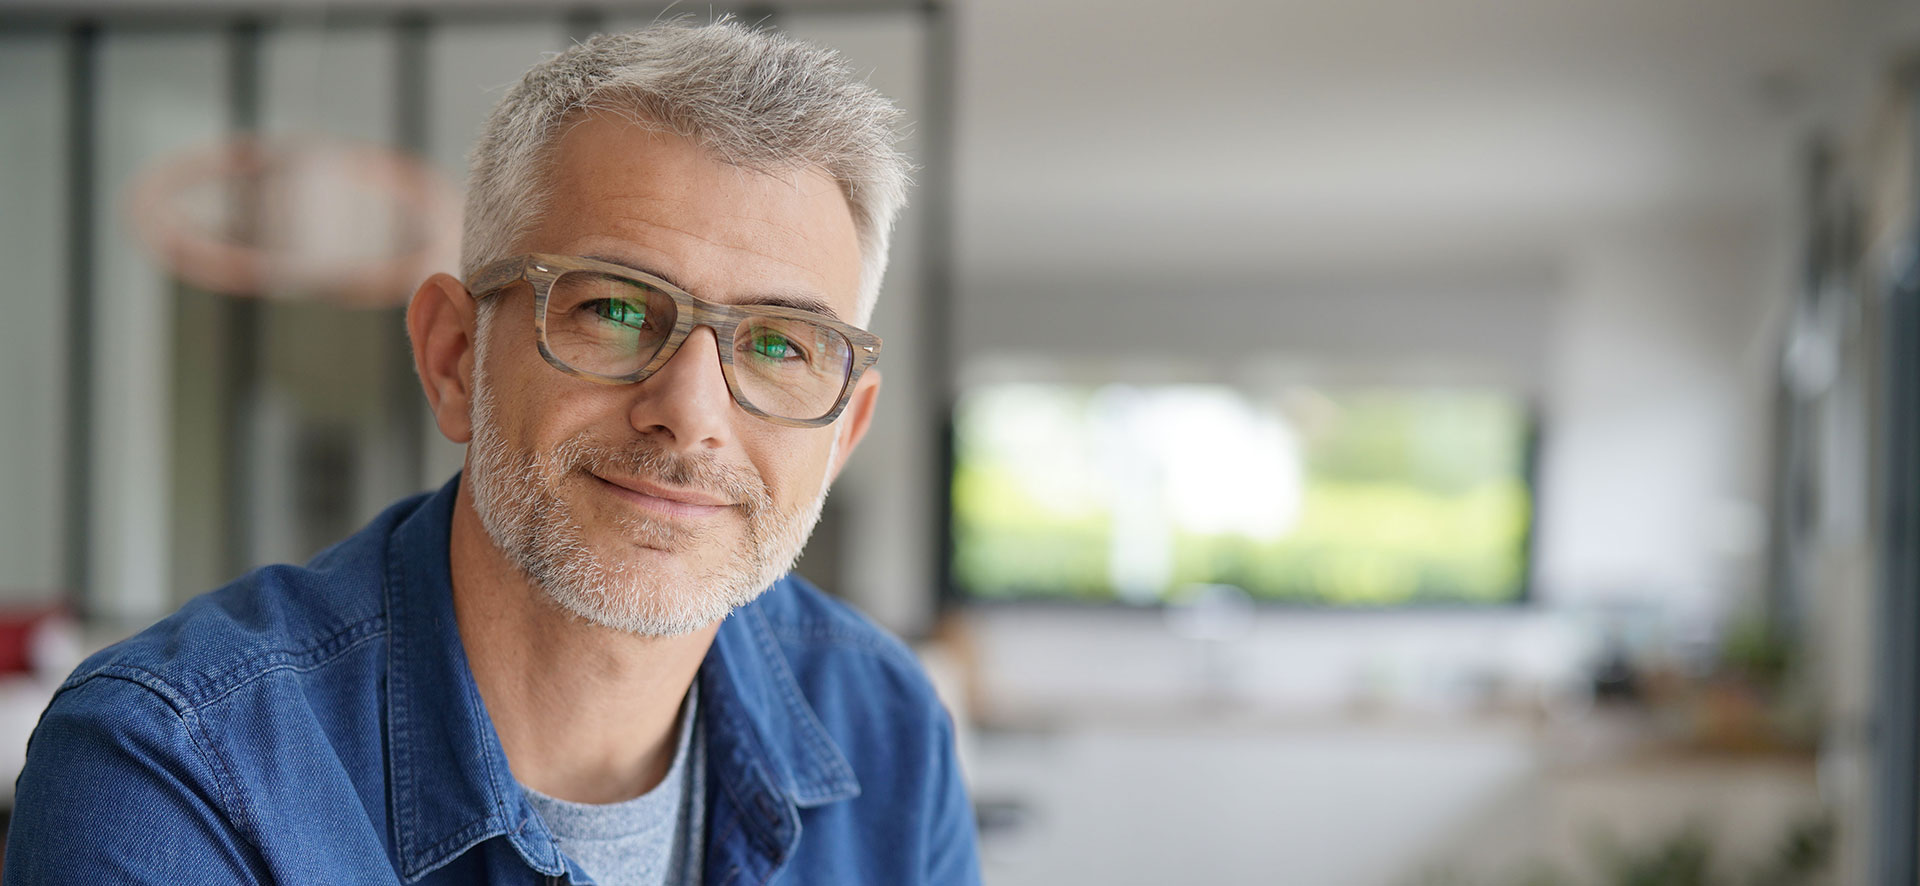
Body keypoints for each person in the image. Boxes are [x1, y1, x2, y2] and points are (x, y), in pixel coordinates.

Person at [5, 20, 979, 885]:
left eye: (779, 344)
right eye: (613, 308)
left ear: (845, 429)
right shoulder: (173, 763)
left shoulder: (887, 730)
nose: (690, 413)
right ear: (452, 355)